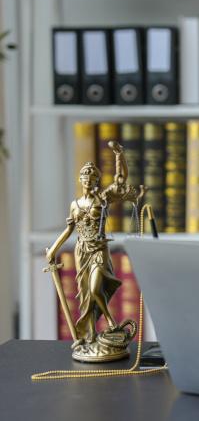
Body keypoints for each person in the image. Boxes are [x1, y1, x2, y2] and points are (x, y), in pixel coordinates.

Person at [46, 142, 146, 357]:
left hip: (99, 249)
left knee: (94, 289)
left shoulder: (102, 199)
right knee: (86, 296)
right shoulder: (75, 204)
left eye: (93, 179)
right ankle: (89, 336)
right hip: (82, 251)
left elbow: (121, 180)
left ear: (96, 181)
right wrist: (53, 249)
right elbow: (69, 229)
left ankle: (110, 322)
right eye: (86, 178)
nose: (89, 182)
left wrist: (119, 155)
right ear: (81, 180)